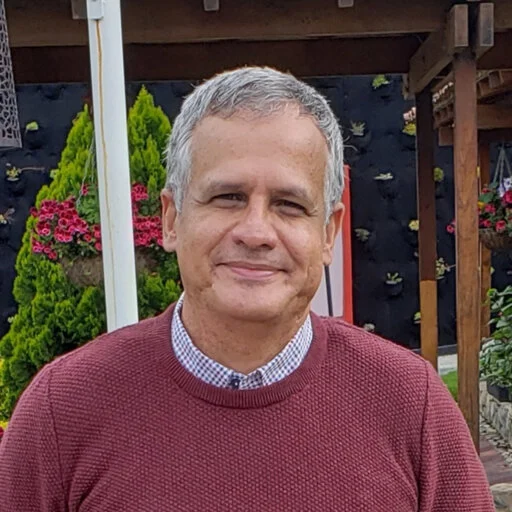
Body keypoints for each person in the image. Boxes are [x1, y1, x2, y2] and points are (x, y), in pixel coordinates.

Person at [0, 66, 494, 511]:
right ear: (171, 219)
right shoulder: (63, 411)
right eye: (228, 196)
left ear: (328, 232)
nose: (256, 232)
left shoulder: (409, 404)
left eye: (289, 205)